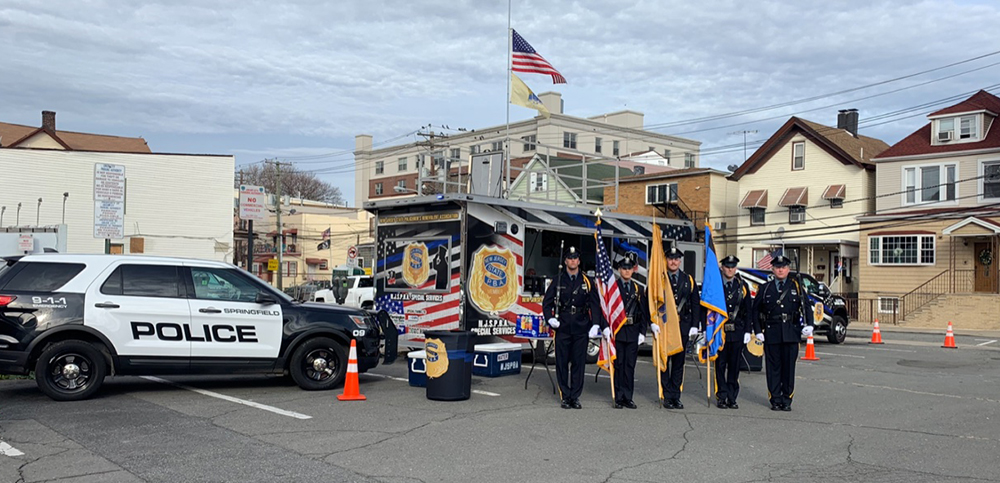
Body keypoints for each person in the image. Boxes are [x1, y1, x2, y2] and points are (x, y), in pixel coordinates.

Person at [542, 246, 605, 409]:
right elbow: (547, 303)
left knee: (578, 363)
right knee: (562, 363)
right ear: (565, 261)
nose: (572, 261)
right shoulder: (557, 280)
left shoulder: (587, 281)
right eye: (570, 258)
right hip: (562, 326)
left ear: (579, 260)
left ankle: (575, 396)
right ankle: (565, 395)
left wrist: (596, 324)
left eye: (575, 258)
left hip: (581, 326)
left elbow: (595, 304)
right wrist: (550, 319)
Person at [751, 255, 815, 411]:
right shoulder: (765, 288)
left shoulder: (797, 287)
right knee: (773, 369)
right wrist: (758, 330)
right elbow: (755, 311)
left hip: (791, 332)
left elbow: (806, 307)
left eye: (784, 267)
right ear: (772, 269)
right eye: (778, 267)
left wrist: (810, 325)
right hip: (772, 332)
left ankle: (787, 399)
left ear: (788, 269)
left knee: (788, 369)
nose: (781, 270)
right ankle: (775, 399)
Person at [659, 247, 701, 409]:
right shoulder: (660, 279)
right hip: (665, 326)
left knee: (678, 363)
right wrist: (653, 323)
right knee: (664, 362)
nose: (673, 261)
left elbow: (695, 303)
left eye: (676, 259)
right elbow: (652, 301)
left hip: (682, 325)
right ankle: (666, 394)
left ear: (680, 261)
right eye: (670, 258)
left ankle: (675, 395)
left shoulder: (688, 279)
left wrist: (695, 325)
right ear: (666, 260)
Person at [612, 253, 649, 409]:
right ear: (619, 270)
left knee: (630, 366)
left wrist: (642, 332)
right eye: (623, 268)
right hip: (619, 332)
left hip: (633, 332)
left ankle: (628, 397)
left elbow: (643, 312)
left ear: (633, 270)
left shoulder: (639, 289)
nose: (626, 271)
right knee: (619, 365)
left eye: (629, 269)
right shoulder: (613, 288)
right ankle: (618, 397)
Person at [715, 255, 752, 409]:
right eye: (727, 266)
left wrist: (748, 331)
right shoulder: (715, 285)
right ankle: (721, 396)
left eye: (733, 266)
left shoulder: (742, 286)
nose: (730, 269)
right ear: (722, 267)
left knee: (734, 366)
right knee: (720, 365)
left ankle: (732, 396)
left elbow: (748, 310)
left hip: (737, 330)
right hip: (720, 331)